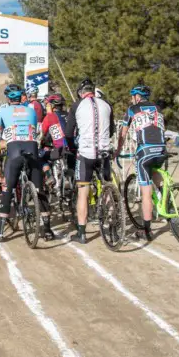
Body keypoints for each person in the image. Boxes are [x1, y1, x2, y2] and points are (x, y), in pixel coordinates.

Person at [0, 83, 52, 240]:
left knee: (7, 188)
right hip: (31, 149)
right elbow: (37, 131)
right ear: (21, 97)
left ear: (7, 98)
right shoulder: (31, 110)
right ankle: (47, 230)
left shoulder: (3, 111)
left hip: (14, 150)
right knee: (39, 189)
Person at [64, 78, 114, 244]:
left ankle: (82, 233)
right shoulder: (107, 104)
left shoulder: (77, 105)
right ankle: (113, 227)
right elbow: (112, 130)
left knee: (83, 192)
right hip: (104, 153)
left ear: (80, 92)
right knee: (107, 188)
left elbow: (69, 133)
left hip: (85, 154)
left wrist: (72, 149)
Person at [115, 84, 167, 241]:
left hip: (144, 152)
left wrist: (118, 151)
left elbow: (123, 134)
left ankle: (147, 230)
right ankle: (166, 200)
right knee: (156, 172)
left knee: (146, 193)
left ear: (136, 97)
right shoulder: (157, 108)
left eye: (132, 96)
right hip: (161, 149)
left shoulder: (132, 109)